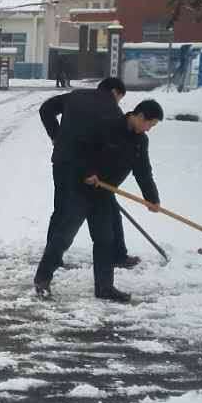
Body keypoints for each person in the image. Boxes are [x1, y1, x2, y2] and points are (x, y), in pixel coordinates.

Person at [35, 98, 164, 304]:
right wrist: (88, 172)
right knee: (63, 236)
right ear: (140, 116)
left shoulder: (140, 141)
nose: (149, 129)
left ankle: (104, 287)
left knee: (105, 240)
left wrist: (151, 198)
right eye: (150, 124)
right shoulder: (107, 126)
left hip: (104, 193)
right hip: (81, 189)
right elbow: (78, 149)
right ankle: (42, 279)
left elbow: (143, 172)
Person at [41, 77, 140, 269]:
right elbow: (115, 143)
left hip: (63, 161)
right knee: (109, 209)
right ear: (114, 92)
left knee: (61, 209)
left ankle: (52, 258)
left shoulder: (74, 96)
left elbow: (45, 109)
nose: (118, 102)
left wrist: (57, 136)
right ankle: (118, 255)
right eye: (119, 98)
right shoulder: (112, 109)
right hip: (91, 168)